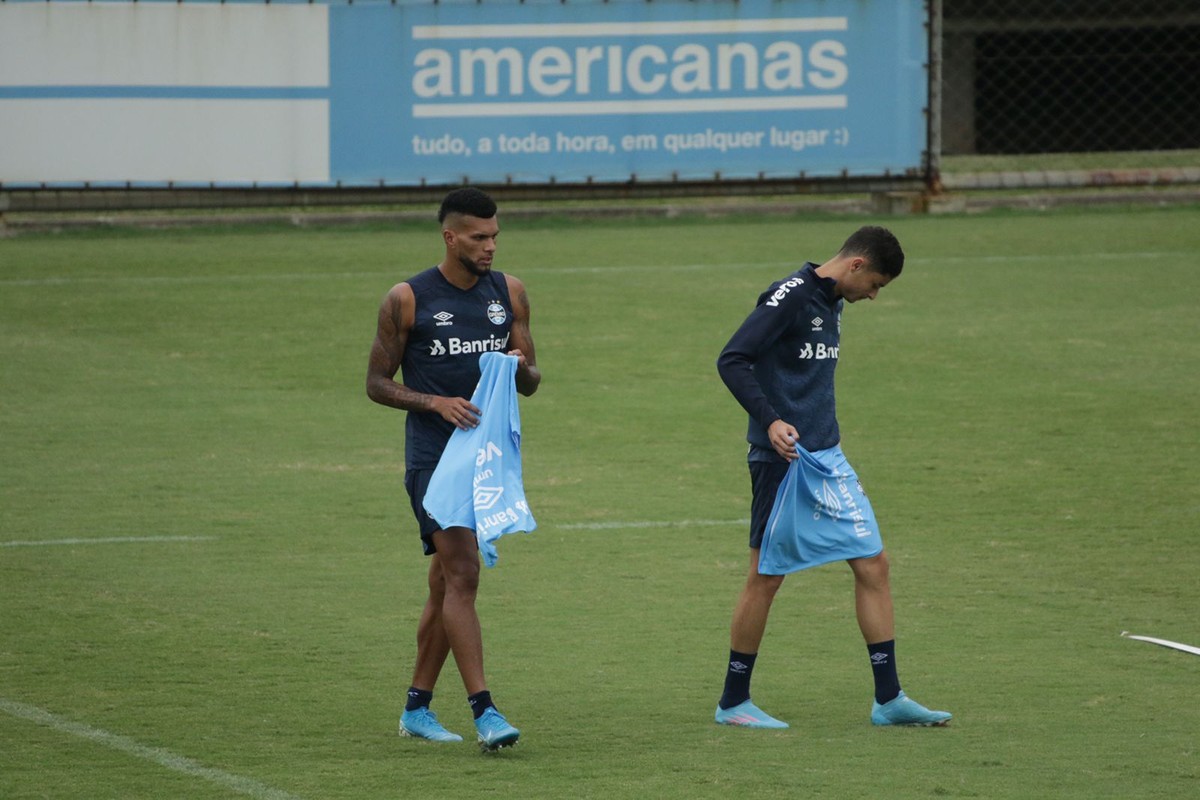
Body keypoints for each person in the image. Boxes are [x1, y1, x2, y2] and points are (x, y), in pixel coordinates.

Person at [713, 225, 951, 729]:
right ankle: (733, 701)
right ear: (857, 266)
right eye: (878, 285)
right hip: (783, 462)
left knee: (873, 563)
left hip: (828, 457)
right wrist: (771, 420)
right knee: (766, 576)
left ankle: (889, 699)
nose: (875, 296)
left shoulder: (832, 299)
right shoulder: (791, 298)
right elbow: (732, 359)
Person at [366, 187, 541, 749]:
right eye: (478, 238)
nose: (490, 247)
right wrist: (433, 402)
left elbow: (533, 380)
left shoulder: (508, 292)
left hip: (487, 462)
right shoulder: (407, 298)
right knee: (464, 573)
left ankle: (416, 708)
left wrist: (517, 368)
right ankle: (485, 711)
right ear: (450, 236)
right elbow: (376, 383)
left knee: (445, 583)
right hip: (432, 463)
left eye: (494, 237)